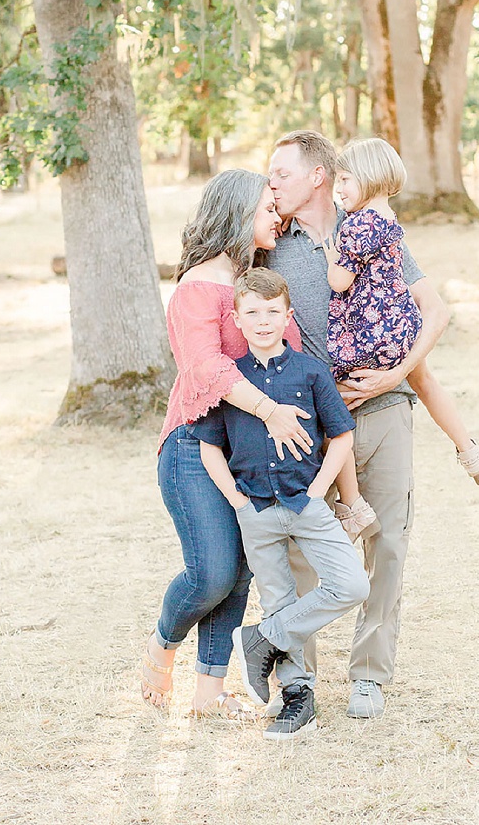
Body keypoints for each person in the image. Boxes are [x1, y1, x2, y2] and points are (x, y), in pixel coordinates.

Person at [142, 169, 370, 719]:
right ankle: (162, 646)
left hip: (251, 455)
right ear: (242, 212)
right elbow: (207, 368)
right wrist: (270, 411)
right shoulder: (199, 287)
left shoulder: (255, 286)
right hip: (196, 446)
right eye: (269, 208)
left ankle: (210, 692)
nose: (277, 217)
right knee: (212, 572)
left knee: (243, 573)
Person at [265, 129, 451, 719]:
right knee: (300, 548)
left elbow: (431, 310)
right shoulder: (272, 246)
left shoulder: (372, 228)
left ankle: (370, 673)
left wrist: (397, 372)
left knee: (388, 541)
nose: (272, 185)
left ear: (319, 175)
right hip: (311, 425)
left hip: (384, 409)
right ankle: (299, 680)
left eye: (282, 174)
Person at [192, 268, 366, 740]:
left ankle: (262, 638)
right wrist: (237, 502)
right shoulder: (231, 381)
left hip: (306, 502)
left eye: (272, 312)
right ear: (237, 319)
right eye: (253, 312)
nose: (264, 321)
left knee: (351, 584)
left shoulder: (311, 371)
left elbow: (342, 434)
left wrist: (317, 490)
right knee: (278, 599)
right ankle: (296, 695)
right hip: (256, 510)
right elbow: (210, 446)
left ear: (288, 316)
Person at [324, 138, 479, 484]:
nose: (338, 189)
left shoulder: (356, 226)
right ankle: (469, 450)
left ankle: (350, 500)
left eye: (344, 180)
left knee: (334, 398)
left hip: (369, 330)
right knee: (424, 380)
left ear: (367, 177)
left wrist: (331, 254)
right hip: (401, 323)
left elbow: (339, 282)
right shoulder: (388, 218)